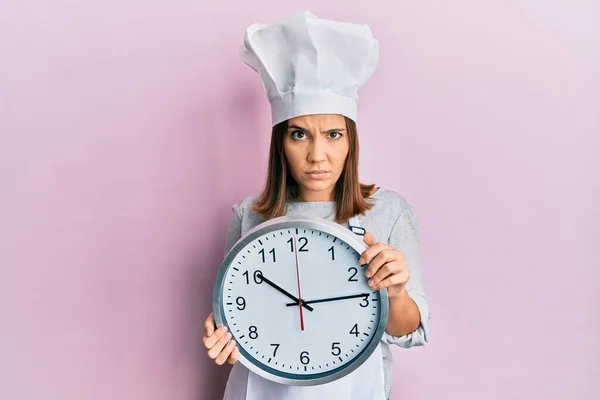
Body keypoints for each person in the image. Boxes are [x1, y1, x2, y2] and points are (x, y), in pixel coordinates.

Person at [203, 10, 430, 400]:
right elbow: (239, 315)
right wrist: (223, 332)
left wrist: (395, 292)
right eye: (299, 134)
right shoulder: (250, 215)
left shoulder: (388, 211)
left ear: (350, 140)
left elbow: (408, 331)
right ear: (281, 142)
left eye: (333, 134)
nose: (317, 155)